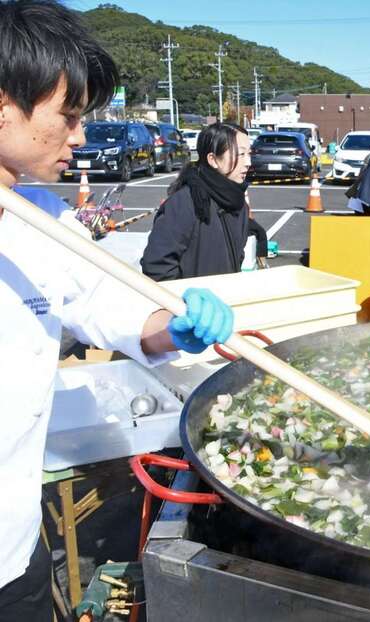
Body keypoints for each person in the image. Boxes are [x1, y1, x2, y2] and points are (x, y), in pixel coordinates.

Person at [0, 2, 234, 619]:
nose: (80, 137)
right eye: (68, 116)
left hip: (13, 546)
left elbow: (119, 312)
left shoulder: (44, 221)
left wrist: (176, 328)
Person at [141, 123, 252, 280]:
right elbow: (156, 267)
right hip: (194, 302)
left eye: (249, 153)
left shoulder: (237, 201)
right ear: (213, 159)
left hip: (224, 300)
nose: (248, 162)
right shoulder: (185, 202)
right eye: (241, 154)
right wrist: (188, 300)